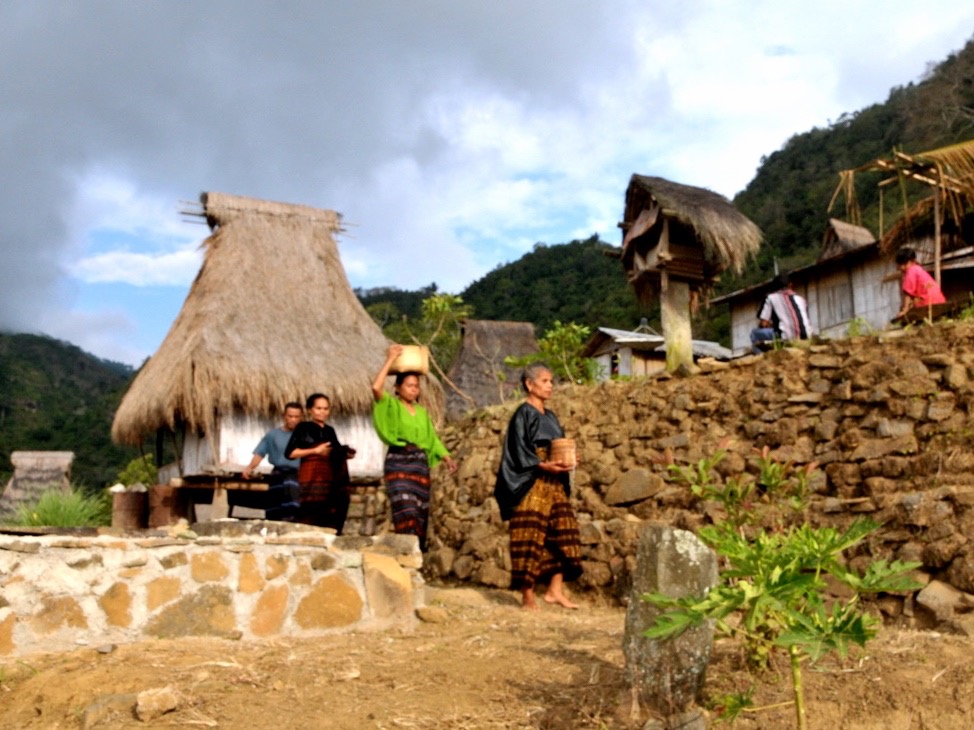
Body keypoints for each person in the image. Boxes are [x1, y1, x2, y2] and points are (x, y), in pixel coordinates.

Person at [494, 362, 583, 611]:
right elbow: (518, 449)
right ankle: (527, 595)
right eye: (545, 381)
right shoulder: (522, 414)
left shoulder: (551, 415)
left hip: (554, 482)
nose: (550, 386)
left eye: (551, 381)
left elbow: (559, 443)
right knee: (529, 534)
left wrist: (571, 457)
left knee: (565, 531)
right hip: (531, 480)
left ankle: (555, 591)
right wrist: (542, 465)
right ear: (529, 384)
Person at [371, 344, 457, 551]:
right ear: (398, 388)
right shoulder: (390, 405)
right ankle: (405, 552)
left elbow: (432, 439)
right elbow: (376, 387)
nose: (413, 389)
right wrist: (390, 359)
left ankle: (414, 556)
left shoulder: (421, 412)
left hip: (419, 465)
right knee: (405, 508)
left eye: (416, 386)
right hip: (398, 462)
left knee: (419, 511)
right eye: (409, 385)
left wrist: (446, 457)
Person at [284, 393, 355, 532]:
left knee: (329, 513)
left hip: (329, 479)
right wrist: (315, 451)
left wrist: (344, 454)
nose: (322, 412)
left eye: (325, 408)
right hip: (312, 478)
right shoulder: (303, 428)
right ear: (310, 410)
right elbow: (290, 453)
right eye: (318, 408)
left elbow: (334, 452)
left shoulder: (330, 430)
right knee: (310, 513)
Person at [750, 273, 814, 354]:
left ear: (774, 287)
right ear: (790, 285)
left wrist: (773, 324)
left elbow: (763, 324)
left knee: (755, 333)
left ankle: (762, 359)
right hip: (807, 337)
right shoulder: (801, 299)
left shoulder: (771, 298)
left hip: (786, 337)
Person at [895, 247, 946, 319]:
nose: (899, 268)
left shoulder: (911, 271)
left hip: (928, 303)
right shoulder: (919, 269)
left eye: (900, 265)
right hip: (940, 300)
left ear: (908, 262)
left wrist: (905, 310)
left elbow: (908, 293)